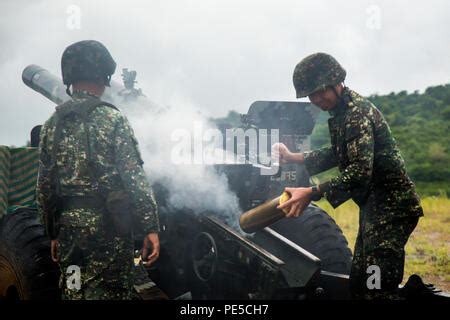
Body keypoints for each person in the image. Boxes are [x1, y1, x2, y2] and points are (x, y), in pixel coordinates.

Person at [274, 52, 423, 299]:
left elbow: (359, 172)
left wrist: (310, 193)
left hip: (391, 209)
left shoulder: (356, 114)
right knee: (360, 284)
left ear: (337, 82)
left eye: (322, 91)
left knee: (377, 288)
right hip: (376, 208)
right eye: (312, 95)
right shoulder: (342, 114)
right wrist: (293, 157)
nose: (318, 99)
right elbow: (338, 152)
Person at [36, 40, 160, 300]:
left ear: (69, 78)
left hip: (69, 232)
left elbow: (45, 188)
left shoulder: (51, 125)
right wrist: (150, 227)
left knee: (73, 288)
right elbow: (134, 180)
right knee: (110, 293)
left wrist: (53, 233)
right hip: (108, 230)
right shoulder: (114, 119)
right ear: (104, 77)